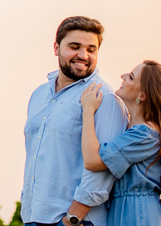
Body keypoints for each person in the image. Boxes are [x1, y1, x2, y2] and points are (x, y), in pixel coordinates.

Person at [22, 16, 127, 226]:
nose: (83, 55)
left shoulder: (103, 96)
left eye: (91, 49)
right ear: (56, 48)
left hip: (77, 221)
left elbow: (104, 167)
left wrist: (71, 219)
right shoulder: (39, 95)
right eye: (75, 47)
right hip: (34, 217)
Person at [80, 61, 161, 224]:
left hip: (137, 214)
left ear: (142, 96)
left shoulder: (144, 135)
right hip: (129, 211)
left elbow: (92, 161)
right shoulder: (134, 130)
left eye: (131, 77)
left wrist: (88, 110)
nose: (122, 77)